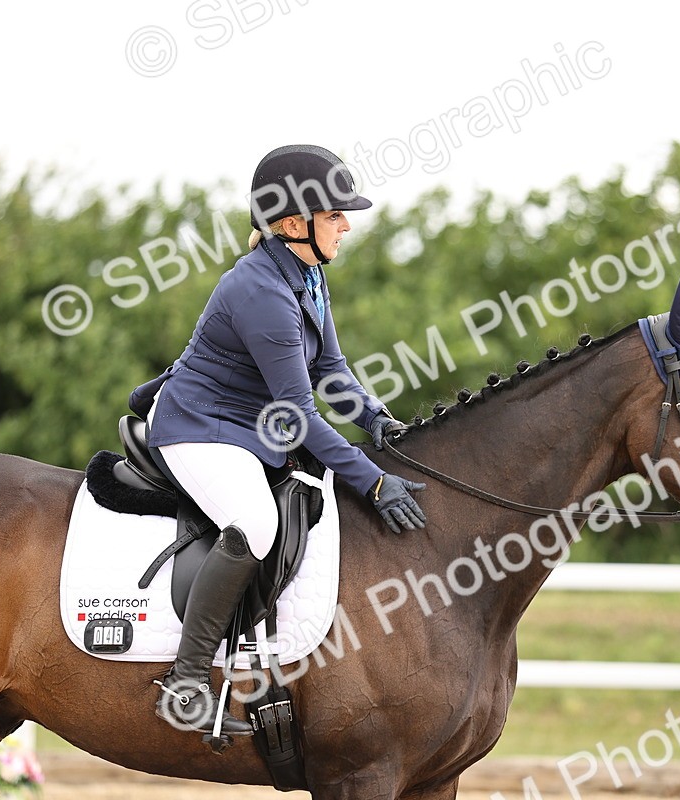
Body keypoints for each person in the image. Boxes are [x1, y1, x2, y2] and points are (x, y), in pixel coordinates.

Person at [128, 144, 427, 735]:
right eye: (334, 215)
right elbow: (299, 414)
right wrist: (373, 482)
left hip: (249, 426)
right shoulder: (261, 292)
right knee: (256, 525)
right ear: (293, 224)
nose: (346, 225)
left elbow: (331, 370)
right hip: (200, 427)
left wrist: (376, 419)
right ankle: (186, 685)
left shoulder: (307, 274)